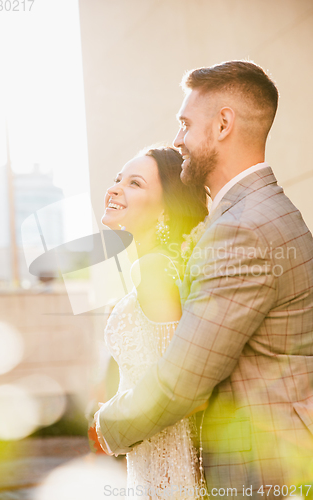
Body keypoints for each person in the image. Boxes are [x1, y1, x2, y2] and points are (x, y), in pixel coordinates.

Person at [96, 61, 313, 499]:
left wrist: (105, 426)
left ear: (223, 124)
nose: (178, 140)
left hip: (261, 473)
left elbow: (185, 382)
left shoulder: (242, 228)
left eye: (185, 124)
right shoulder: (259, 212)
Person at [95, 146, 209, 499]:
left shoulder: (154, 268)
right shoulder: (156, 265)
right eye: (117, 180)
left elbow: (179, 387)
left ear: (164, 207)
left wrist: (109, 421)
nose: (114, 189)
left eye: (134, 183)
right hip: (151, 461)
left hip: (166, 469)